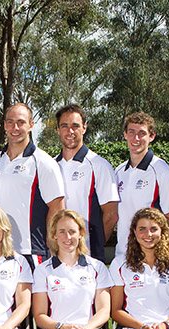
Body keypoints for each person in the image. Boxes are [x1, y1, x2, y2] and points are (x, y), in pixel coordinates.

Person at [0, 103, 65, 266]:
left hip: (31, 252)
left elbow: (57, 208)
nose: (15, 128)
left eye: (21, 122)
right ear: (5, 125)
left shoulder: (43, 162)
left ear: (31, 125)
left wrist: (50, 245)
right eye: (10, 122)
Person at [54, 104, 119, 262]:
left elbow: (111, 215)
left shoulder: (99, 165)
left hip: (89, 255)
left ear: (84, 128)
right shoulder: (50, 166)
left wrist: (94, 245)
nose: (70, 131)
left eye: (75, 126)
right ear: (58, 130)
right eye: (64, 126)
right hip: (57, 254)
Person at [113, 112, 169, 258]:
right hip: (122, 256)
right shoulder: (119, 171)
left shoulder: (162, 171)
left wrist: (167, 258)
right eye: (131, 132)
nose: (136, 138)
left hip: (151, 258)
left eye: (142, 133)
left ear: (152, 136)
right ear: (125, 135)